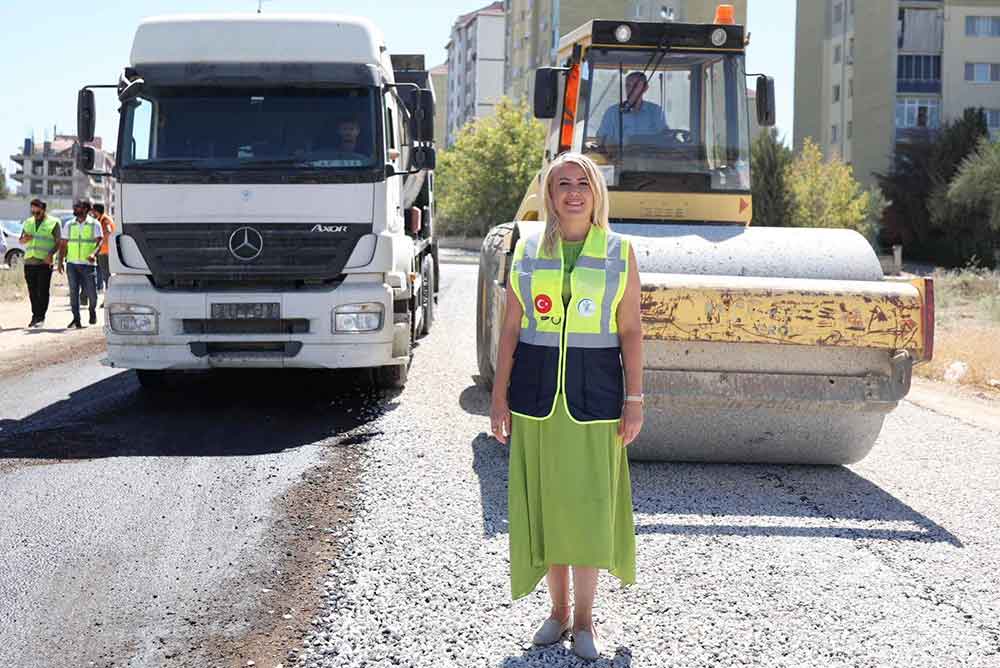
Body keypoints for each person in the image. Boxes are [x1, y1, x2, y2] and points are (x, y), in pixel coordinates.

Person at [490, 152, 644, 660]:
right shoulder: (529, 251)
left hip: (595, 400)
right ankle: (556, 614)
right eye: (563, 184)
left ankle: (584, 621)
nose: (574, 191)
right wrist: (498, 397)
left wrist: (635, 399)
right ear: (550, 196)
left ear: (596, 193)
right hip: (536, 401)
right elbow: (511, 327)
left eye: (583, 182)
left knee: (589, 508)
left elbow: (630, 331)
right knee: (549, 505)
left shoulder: (620, 252)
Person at [58, 200, 105, 329]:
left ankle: (92, 310)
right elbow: (63, 244)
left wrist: (93, 254)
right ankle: (76, 319)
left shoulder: (94, 224)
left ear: (85, 209)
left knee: (92, 294)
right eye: (75, 206)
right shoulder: (69, 224)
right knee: (74, 292)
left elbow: (100, 242)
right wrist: (60, 261)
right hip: (72, 264)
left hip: (88, 265)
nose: (75, 208)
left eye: (77, 207)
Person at [19, 198, 62, 328]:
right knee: (32, 291)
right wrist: (24, 239)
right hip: (29, 261)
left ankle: (41, 317)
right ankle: (35, 316)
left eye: (37, 212)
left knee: (42, 291)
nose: (35, 215)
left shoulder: (53, 222)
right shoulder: (28, 222)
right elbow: (21, 240)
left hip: (44, 262)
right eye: (33, 212)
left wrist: (51, 254)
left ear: (43, 210)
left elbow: (58, 242)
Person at [597, 71, 668, 145]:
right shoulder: (612, 112)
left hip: (650, 155)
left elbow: (665, 138)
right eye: (628, 86)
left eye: (635, 86)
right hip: (619, 155)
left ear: (645, 88)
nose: (630, 89)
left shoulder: (656, 112)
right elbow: (600, 139)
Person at [92, 203, 115, 299]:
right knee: (106, 275)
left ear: (97, 211)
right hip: (105, 251)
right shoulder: (102, 219)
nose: (92, 213)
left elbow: (108, 232)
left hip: (105, 251)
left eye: (93, 211)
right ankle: (109, 296)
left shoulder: (104, 220)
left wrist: (100, 244)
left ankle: (109, 297)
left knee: (106, 276)